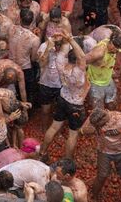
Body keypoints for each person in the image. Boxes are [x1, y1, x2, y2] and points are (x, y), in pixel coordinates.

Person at [39, 31, 89, 159]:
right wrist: (71, 40)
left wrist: (64, 40)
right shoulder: (79, 71)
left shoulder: (61, 63)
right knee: (73, 135)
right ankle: (67, 161)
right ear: (78, 61)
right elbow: (82, 57)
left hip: (63, 98)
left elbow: (63, 51)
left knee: (54, 127)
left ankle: (42, 152)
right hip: (76, 105)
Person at [81, 108, 121, 200]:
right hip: (104, 151)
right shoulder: (94, 117)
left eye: (102, 124)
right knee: (102, 175)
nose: (102, 126)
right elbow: (82, 131)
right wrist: (93, 129)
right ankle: (94, 196)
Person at [0, 59, 29, 148]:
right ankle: (6, 140)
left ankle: (12, 140)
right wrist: (3, 115)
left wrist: (24, 108)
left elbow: (22, 90)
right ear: (3, 76)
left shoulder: (19, 72)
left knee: (11, 101)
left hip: (7, 82)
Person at [86, 31, 121, 109]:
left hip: (108, 79)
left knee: (112, 102)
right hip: (96, 84)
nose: (118, 52)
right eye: (117, 50)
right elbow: (82, 61)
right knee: (98, 111)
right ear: (112, 45)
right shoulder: (99, 53)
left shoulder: (117, 44)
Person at [7, 16, 41, 105]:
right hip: (25, 67)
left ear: (20, 19)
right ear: (31, 21)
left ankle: (16, 106)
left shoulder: (10, 29)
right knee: (27, 89)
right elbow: (33, 58)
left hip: (11, 65)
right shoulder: (34, 39)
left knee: (15, 88)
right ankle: (27, 108)